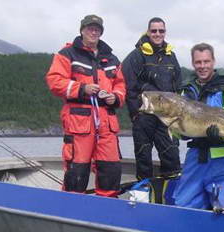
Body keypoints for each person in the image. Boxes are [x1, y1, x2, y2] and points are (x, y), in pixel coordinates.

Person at [45, 14, 126, 197]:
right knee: (77, 170)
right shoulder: (67, 54)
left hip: (107, 123)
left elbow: (120, 84)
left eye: (97, 29)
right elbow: (54, 81)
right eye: (89, 28)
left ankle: (107, 209)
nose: (93, 32)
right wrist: (82, 88)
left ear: (101, 33)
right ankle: (72, 210)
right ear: (82, 30)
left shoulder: (112, 59)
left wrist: (116, 97)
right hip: (79, 122)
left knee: (111, 168)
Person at [174, 42, 224, 210]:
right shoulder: (185, 92)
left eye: (206, 62)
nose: (202, 66)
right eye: (198, 62)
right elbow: (179, 132)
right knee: (183, 207)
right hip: (197, 158)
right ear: (193, 64)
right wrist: (180, 132)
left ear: (213, 62)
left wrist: (222, 134)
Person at [122, 17, 181, 180]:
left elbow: (178, 86)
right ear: (148, 32)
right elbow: (128, 87)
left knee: (172, 157)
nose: (157, 34)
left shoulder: (171, 56)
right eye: (154, 30)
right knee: (143, 159)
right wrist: (136, 114)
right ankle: (143, 197)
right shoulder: (136, 56)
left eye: (161, 31)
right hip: (144, 117)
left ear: (165, 32)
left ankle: (170, 196)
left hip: (167, 118)